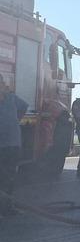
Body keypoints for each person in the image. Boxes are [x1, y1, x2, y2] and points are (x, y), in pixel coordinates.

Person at [0, 73, 28, 217]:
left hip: (12, 145)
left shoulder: (11, 98)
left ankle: (6, 207)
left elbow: (24, 106)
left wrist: (15, 120)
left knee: (9, 177)